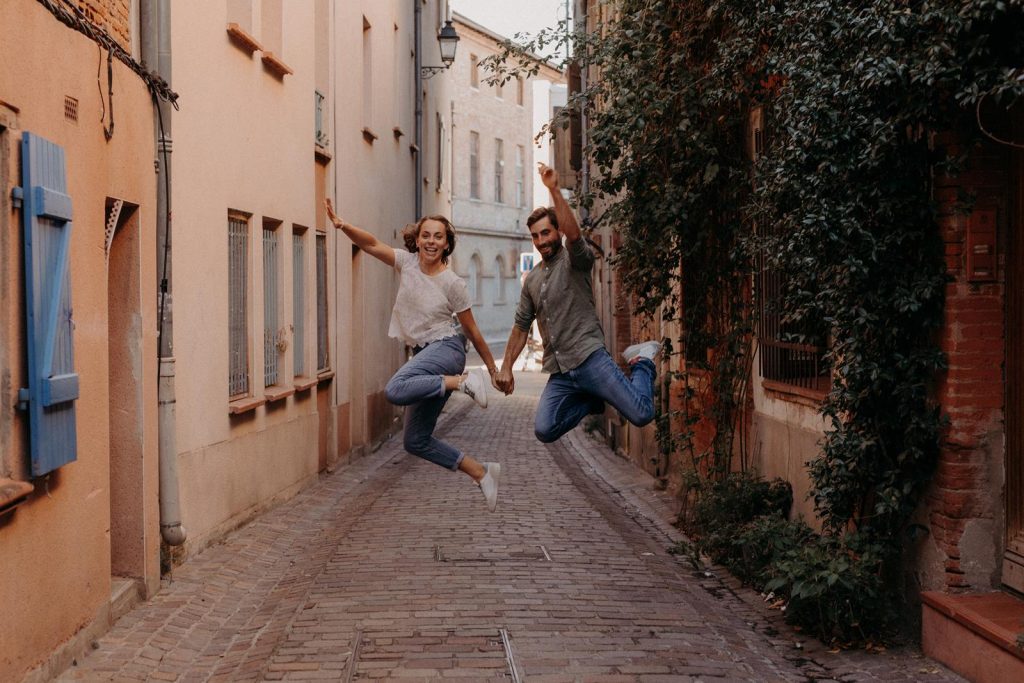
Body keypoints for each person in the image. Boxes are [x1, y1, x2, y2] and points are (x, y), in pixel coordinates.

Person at [325, 199, 503, 512]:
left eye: (438, 237)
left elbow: (473, 332)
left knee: (395, 389)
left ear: (446, 244)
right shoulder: (406, 263)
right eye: (426, 236)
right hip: (426, 359)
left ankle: (463, 381)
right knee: (415, 441)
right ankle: (481, 472)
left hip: (446, 350)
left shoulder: (453, 284)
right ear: (417, 239)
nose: (431, 241)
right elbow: (370, 243)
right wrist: (343, 225)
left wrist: (491, 370)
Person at [493, 163, 660, 443]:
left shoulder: (575, 260)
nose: (540, 240)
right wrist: (507, 366)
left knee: (642, 413)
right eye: (535, 235)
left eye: (545, 232)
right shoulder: (532, 280)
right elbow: (521, 326)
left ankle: (641, 360)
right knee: (544, 429)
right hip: (561, 371)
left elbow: (573, 233)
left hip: (590, 358)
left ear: (556, 231)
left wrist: (554, 190)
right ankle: (593, 402)